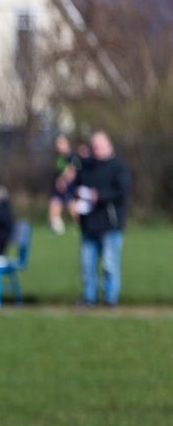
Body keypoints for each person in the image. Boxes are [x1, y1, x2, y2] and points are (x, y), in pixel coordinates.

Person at [73, 131, 130, 308]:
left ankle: (110, 298)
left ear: (108, 145)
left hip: (110, 224)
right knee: (87, 265)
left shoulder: (118, 167)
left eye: (99, 146)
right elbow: (76, 185)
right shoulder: (87, 166)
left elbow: (121, 191)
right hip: (89, 222)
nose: (96, 150)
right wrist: (78, 193)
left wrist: (99, 196)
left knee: (109, 264)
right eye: (94, 147)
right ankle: (88, 297)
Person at [48, 134, 78, 235]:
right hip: (58, 189)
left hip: (70, 187)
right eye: (57, 144)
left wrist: (64, 181)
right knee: (54, 205)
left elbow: (73, 172)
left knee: (73, 209)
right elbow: (59, 172)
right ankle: (55, 229)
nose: (59, 146)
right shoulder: (58, 158)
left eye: (61, 143)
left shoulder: (72, 157)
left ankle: (82, 227)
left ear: (67, 144)